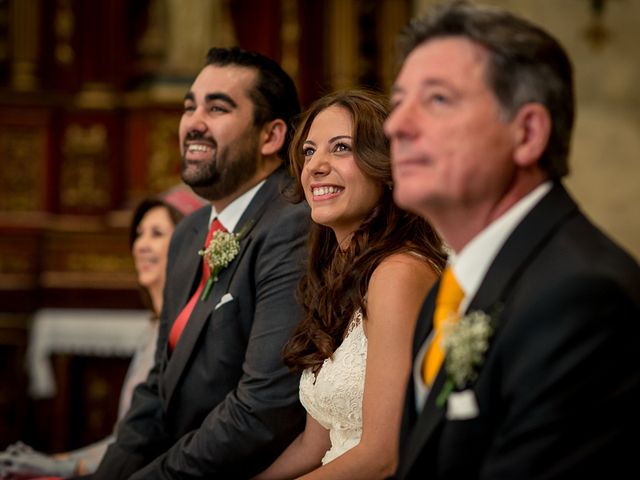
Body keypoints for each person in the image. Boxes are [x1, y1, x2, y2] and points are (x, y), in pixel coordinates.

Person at [383, 2, 640, 479]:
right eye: (398, 102)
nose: (396, 125)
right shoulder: (450, 288)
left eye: (437, 99)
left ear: (527, 133)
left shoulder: (582, 299)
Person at [91, 47, 309, 479]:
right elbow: (158, 388)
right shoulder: (190, 232)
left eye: (218, 107)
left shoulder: (292, 225)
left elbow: (262, 409)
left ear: (271, 136)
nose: (193, 122)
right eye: (189, 107)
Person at [254, 90, 446, 480]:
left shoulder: (398, 273)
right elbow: (316, 444)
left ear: (387, 168)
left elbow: (383, 456)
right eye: (309, 152)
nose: (315, 167)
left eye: (341, 148)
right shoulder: (338, 276)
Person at [0, 186, 205, 479]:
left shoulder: (185, 331)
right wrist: (58, 460)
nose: (141, 245)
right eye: (139, 234)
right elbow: (125, 435)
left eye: (157, 234)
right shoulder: (154, 326)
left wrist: (64, 465)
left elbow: (151, 439)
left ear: (188, 244)